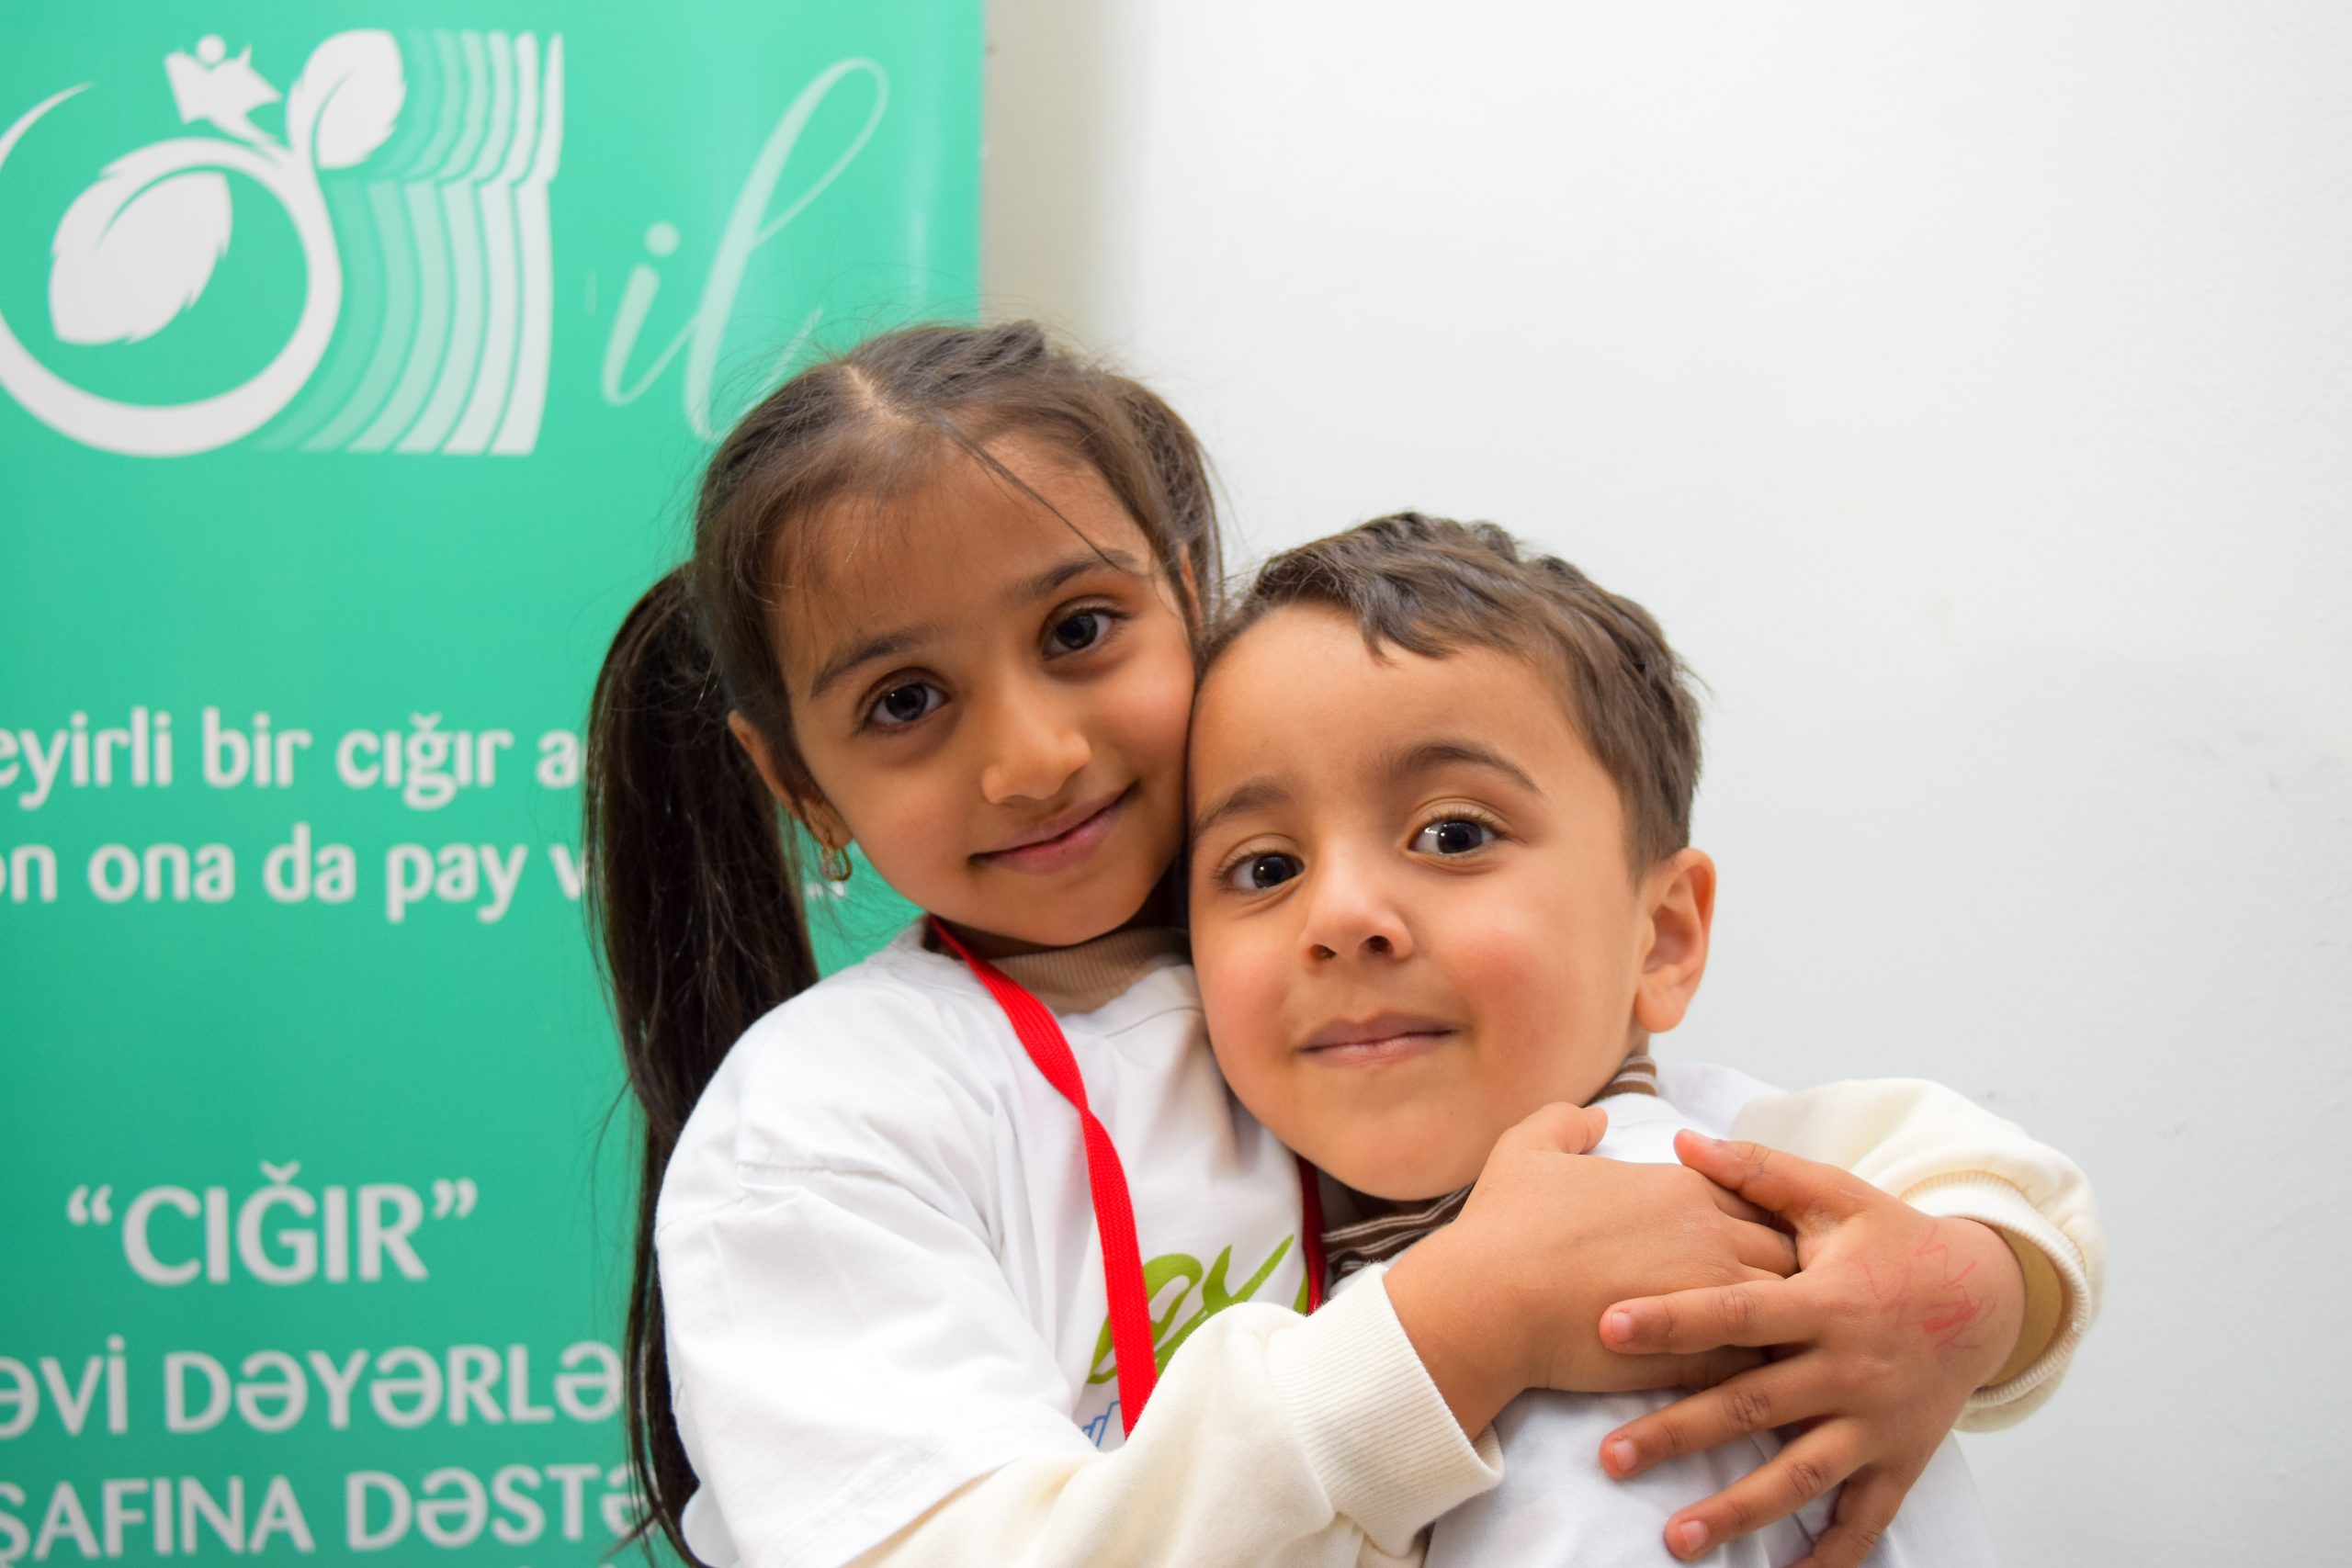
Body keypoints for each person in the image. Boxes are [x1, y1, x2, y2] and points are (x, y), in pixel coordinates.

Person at [584, 322, 2098, 1568]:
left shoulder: (1339, 992)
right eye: (904, 701)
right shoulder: (822, 1123)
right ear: (800, 783)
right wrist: (1453, 1327)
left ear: (1189, 596)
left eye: (1080, 629)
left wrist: (1969, 1293)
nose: (1034, 754)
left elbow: (1905, 1162)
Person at [1185, 513, 2102, 1563]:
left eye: (1452, 835)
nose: (1343, 917)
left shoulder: (1721, 1165)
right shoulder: (1227, 1246)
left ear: (1660, 936)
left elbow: (1987, 1182)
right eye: (1265, 868)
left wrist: (1965, 1296)